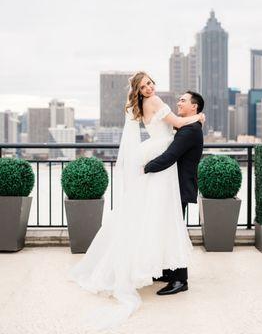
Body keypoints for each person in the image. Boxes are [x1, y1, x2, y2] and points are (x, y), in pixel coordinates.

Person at [67, 71, 205, 331]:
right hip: (161, 167)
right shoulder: (158, 104)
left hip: (161, 164)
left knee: (161, 220)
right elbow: (176, 123)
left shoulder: (141, 107)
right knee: (165, 221)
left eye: (151, 83)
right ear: (139, 91)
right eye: (144, 86)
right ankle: (172, 273)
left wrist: (149, 164)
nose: (150, 88)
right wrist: (197, 117)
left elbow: (173, 129)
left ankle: (172, 274)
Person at [144, 90, 204, 295]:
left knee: (176, 231)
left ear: (194, 106)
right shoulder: (188, 126)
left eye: (183, 100)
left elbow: (170, 156)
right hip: (173, 186)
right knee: (170, 228)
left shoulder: (190, 130)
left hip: (179, 187)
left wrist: (146, 167)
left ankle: (180, 280)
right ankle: (170, 272)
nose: (178, 102)